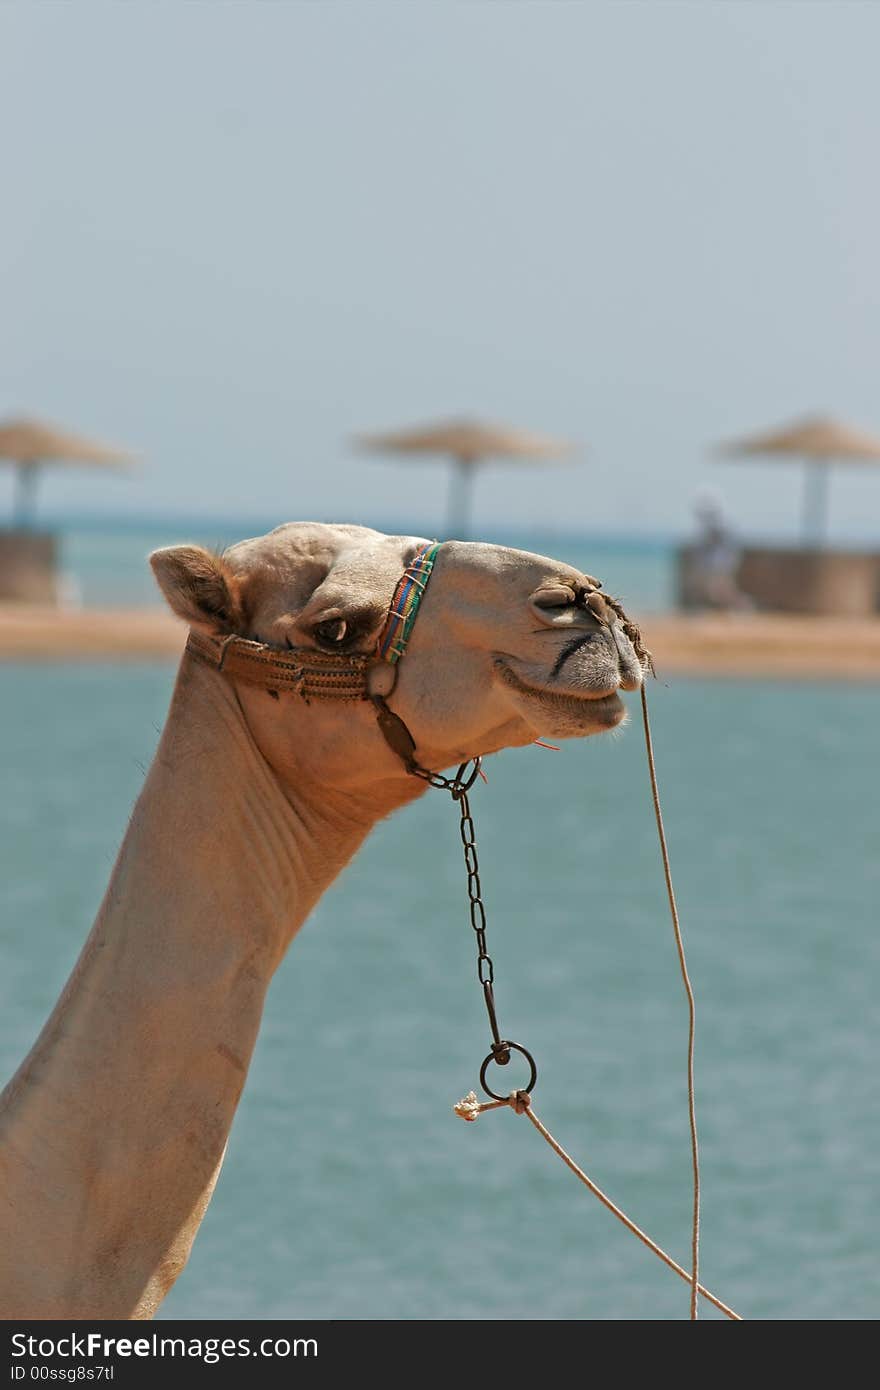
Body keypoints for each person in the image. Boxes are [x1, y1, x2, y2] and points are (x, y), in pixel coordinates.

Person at [685, 495, 750, 611]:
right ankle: (739, 608)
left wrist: (722, 566)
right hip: (716, 566)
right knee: (714, 590)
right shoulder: (713, 528)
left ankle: (743, 608)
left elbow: (726, 549)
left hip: (721, 566)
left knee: (721, 591)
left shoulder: (721, 528)